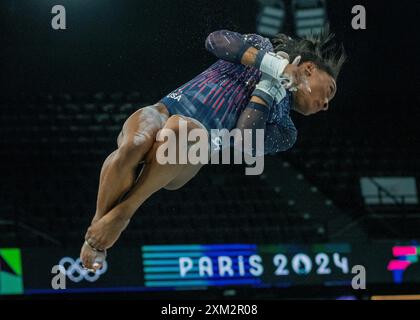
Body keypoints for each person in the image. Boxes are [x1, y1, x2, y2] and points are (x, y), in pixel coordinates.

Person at [80, 27, 345, 271]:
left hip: (190, 151)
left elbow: (245, 138)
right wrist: (273, 65)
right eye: (329, 91)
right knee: (135, 143)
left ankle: (124, 213)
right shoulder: (260, 46)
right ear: (309, 69)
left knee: (182, 129)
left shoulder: (287, 130)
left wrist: (271, 83)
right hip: (163, 109)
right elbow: (215, 40)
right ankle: (98, 229)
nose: (326, 105)